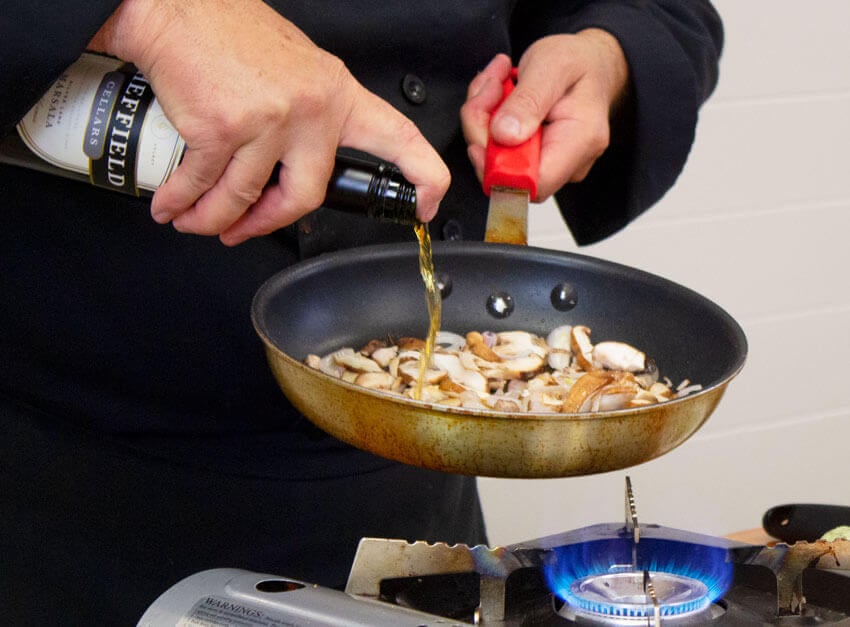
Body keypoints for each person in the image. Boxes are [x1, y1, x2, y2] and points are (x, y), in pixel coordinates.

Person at [0, 0, 723, 623]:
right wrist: (149, 14)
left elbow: (653, 11)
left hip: (416, 477)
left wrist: (604, 52)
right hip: (77, 493)